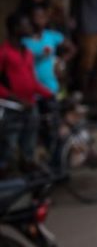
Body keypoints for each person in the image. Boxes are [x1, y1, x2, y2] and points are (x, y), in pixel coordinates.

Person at [0, 13, 53, 175]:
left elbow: (33, 82)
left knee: (28, 151)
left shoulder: (28, 52)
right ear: (16, 29)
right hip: (12, 109)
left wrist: (50, 94)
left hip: (30, 107)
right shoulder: (4, 53)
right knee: (8, 150)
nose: (30, 28)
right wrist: (16, 98)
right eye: (26, 25)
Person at [22, 5, 76, 97]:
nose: (38, 20)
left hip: (50, 85)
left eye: (42, 17)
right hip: (29, 87)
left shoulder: (51, 36)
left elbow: (72, 49)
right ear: (30, 19)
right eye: (36, 16)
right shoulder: (24, 40)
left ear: (46, 19)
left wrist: (60, 61)